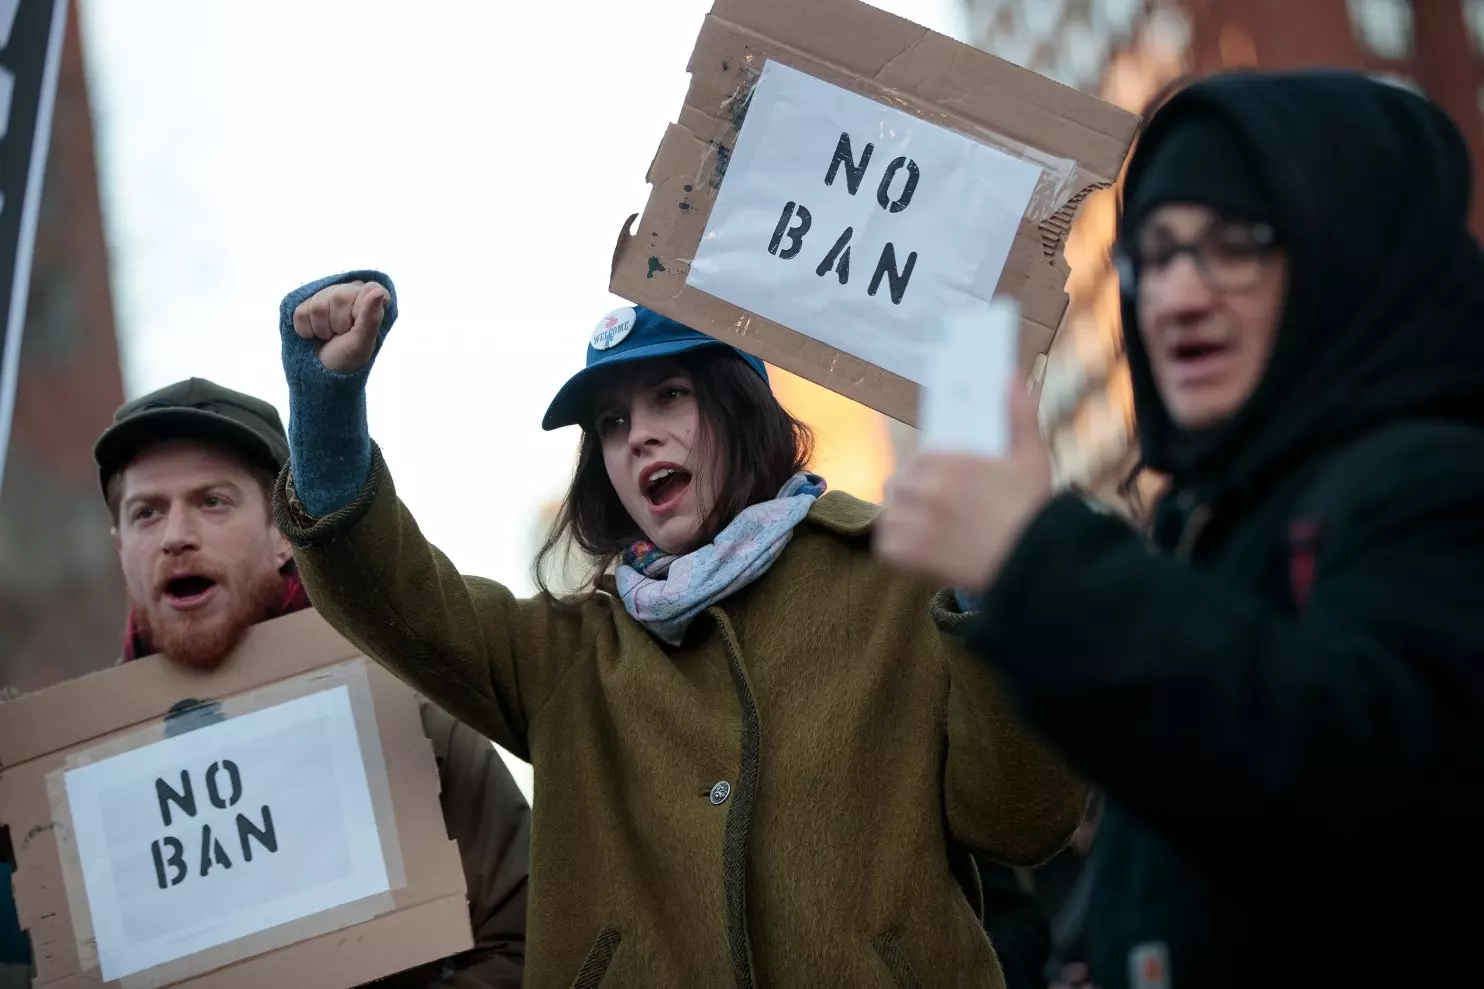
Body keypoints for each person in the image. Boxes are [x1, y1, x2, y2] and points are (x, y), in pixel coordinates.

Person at [269, 273, 1085, 987]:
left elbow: (1022, 820)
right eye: (615, 423)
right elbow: (401, 597)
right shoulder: (568, 656)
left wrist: (994, 598)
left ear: (740, 404)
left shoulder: (900, 581)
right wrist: (328, 410)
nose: (640, 437)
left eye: (670, 397)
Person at [875, 69, 1484, 987]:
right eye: (1153, 253)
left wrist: (1038, 559)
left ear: (1344, 246)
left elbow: (1348, 779)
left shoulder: (1438, 485)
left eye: (1234, 244)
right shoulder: (1219, 517)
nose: (1177, 295)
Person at [93, 378, 531, 989]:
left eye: (212, 501)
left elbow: (529, 944)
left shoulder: (409, 715)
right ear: (121, 548)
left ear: (280, 533)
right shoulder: (74, 789)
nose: (175, 536)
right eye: (147, 512)